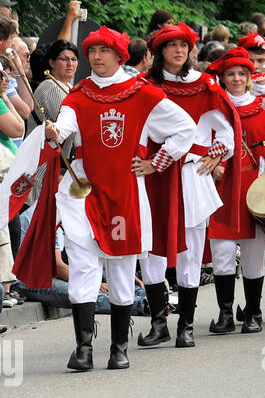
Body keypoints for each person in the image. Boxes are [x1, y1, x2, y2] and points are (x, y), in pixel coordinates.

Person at [41, 26, 198, 371]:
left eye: (103, 52)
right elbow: (65, 124)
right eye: (92, 52)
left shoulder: (142, 93)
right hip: (83, 188)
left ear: (119, 56)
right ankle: (83, 349)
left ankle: (118, 348)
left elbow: (186, 127)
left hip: (125, 190)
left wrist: (157, 162)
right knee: (83, 264)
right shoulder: (78, 95)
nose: (95, 58)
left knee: (123, 267)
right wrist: (55, 131)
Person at [136, 22, 242, 346]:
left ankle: (186, 325)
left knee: (192, 250)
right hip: (152, 173)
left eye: (184, 45)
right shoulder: (142, 86)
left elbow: (227, 130)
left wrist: (216, 157)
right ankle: (158, 324)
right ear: (159, 51)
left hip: (191, 174)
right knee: (150, 245)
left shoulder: (206, 85)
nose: (179, 51)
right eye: (172, 46)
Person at [206, 46, 265, 333]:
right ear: (223, 77)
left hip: (252, 189)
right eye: (230, 74)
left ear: (249, 77)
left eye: (241, 74)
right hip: (220, 188)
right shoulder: (212, 110)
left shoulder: (264, 110)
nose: (236, 79)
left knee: (252, 252)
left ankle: (254, 313)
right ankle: (224, 315)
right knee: (221, 251)